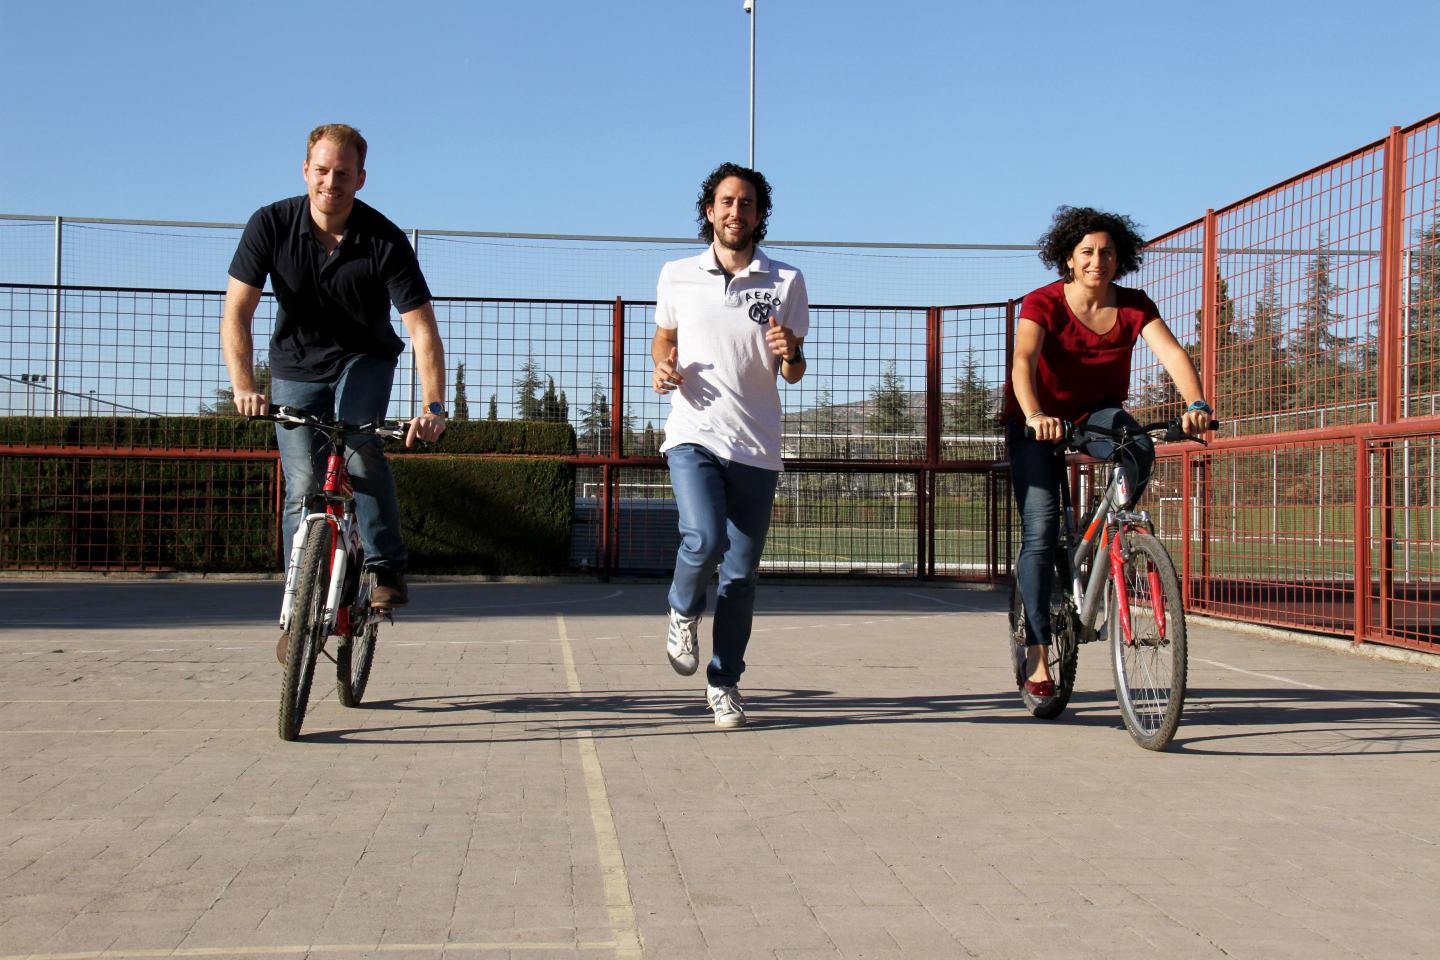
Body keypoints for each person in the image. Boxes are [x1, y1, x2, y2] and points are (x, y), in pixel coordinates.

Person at [221, 123, 448, 663]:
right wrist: (244, 386)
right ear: (306, 171)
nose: (331, 182)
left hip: (365, 359)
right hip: (295, 366)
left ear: (360, 179)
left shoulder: (384, 239)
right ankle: (298, 609)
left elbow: (422, 330)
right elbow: (237, 312)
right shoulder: (270, 225)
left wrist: (433, 405)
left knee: (357, 444)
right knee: (302, 485)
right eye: (321, 171)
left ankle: (386, 568)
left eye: (343, 173)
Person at [1003, 205, 1214, 698]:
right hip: (1037, 420)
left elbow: (1173, 353)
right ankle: (1037, 654)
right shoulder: (1042, 302)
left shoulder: (1135, 305)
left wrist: (1197, 404)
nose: (1099, 260)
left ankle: (1110, 539)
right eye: (1088, 253)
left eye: (1108, 252)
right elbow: (1023, 360)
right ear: (1069, 261)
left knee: (1139, 445)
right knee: (1041, 529)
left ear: (1121, 259)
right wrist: (1035, 415)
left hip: (1097, 413)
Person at [651, 162, 809, 728]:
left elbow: (793, 371)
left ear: (759, 214)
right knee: (704, 536)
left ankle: (724, 683)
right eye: (725, 201)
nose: (735, 211)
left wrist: (789, 349)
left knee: (741, 575)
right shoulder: (676, 274)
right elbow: (664, 340)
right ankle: (680, 609)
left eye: (746, 203)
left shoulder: (786, 281)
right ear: (709, 211)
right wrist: (661, 369)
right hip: (694, 433)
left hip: (756, 445)